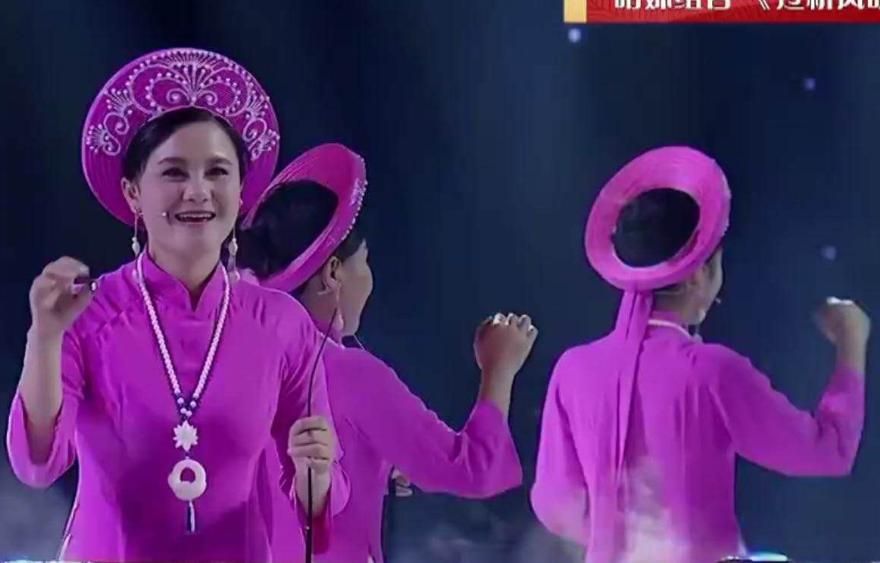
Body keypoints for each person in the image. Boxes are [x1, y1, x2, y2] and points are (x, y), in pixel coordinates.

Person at [6, 48, 347, 561]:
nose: (198, 191)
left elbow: (318, 506)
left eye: (218, 172)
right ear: (133, 193)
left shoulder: (282, 324)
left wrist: (314, 471)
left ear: (241, 191)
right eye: (173, 173)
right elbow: (38, 463)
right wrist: (45, 337)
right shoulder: (87, 314)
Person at [530, 146, 870, 563]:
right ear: (696, 275)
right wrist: (851, 343)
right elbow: (827, 451)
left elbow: (554, 503)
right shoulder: (712, 371)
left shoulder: (572, 369)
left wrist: (619, 532)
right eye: (717, 266)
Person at [238, 143, 534, 562]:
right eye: (365, 261)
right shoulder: (351, 373)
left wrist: (372, 463)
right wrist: (498, 368)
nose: (369, 277)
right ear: (333, 273)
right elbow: (471, 468)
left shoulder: (240, 358)